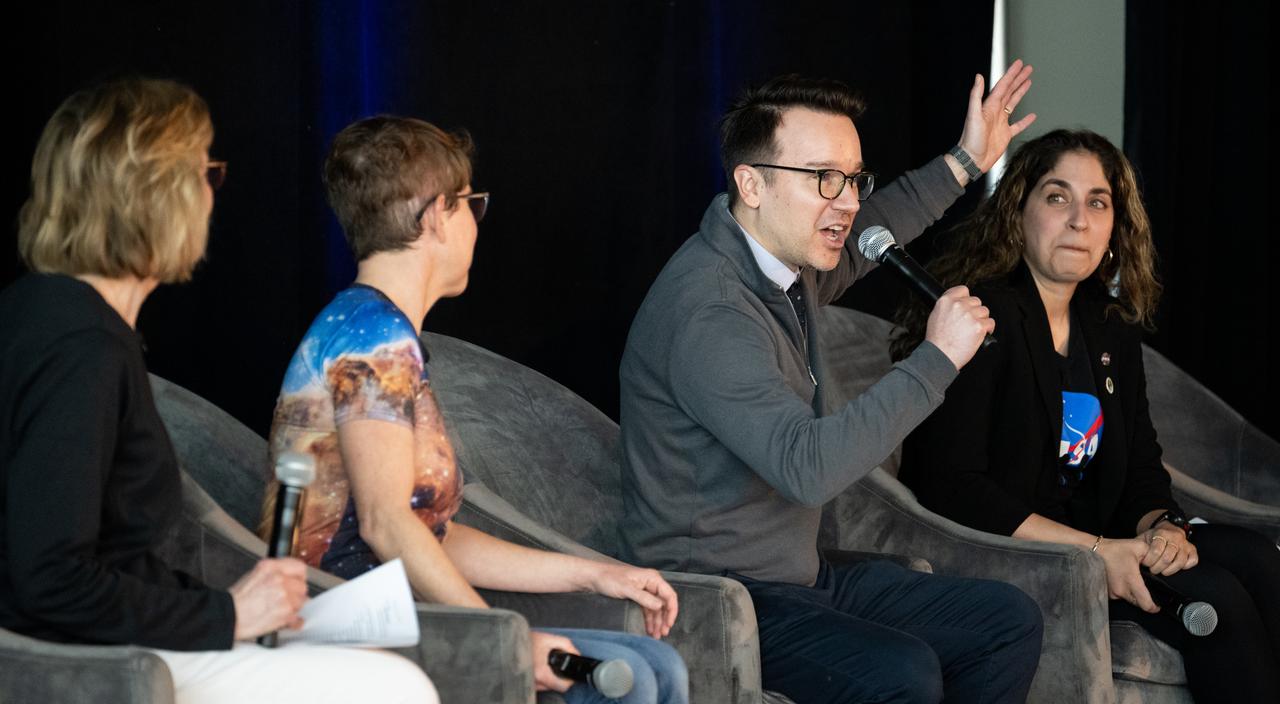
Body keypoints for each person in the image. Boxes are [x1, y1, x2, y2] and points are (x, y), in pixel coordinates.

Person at [0, 79, 436, 704]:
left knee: (364, 657)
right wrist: (230, 617)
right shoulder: (79, 346)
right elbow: (52, 581)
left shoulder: (53, 317)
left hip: (107, 644)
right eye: (208, 173)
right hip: (84, 664)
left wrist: (230, 609)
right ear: (159, 194)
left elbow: (111, 563)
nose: (213, 194)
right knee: (397, 686)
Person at [618, 66, 1044, 703]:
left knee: (1005, 621)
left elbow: (884, 219)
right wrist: (936, 359)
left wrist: (964, 161)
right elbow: (806, 467)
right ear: (752, 184)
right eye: (824, 179)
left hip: (794, 578)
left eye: (852, 178)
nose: (847, 200)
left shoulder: (784, 265)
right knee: (900, 671)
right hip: (713, 598)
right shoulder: (710, 311)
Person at [266, 115, 688, 704]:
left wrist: (594, 571)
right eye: (472, 205)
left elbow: (428, 535)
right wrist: (504, 639)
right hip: (345, 622)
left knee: (656, 663)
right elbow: (386, 524)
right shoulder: (373, 340)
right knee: (624, 678)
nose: (475, 224)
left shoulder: (382, 330)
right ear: (438, 214)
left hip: (392, 611)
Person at [895, 128, 1280, 703]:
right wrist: (1094, 551)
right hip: (1014, 554)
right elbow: (952, 487)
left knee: (1254, 555)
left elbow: (1143, 467)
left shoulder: (1108, 327)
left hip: (1102, 542)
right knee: (1215, 600)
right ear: (1017, 211)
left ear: (1114, 228)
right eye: (1057, 197)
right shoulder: (979, 314)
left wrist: (1161, 526)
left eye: (1097, 202)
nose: (1079, 219)